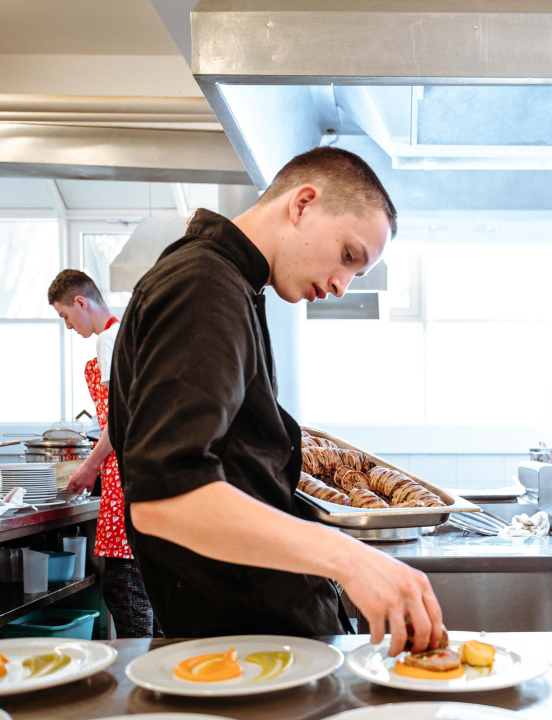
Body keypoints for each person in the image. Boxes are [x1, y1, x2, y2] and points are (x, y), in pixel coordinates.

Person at [109, 147, 443, 651]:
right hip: (245, 648)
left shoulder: (232, 285)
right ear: (303, 204)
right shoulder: (203, 285)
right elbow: (165, 499)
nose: (340, 285)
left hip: (260, 641)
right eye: (348, 256)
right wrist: (350, 558)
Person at [48, 270, 155, 637]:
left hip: (123, 475)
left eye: (65, 316)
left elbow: (120, 418)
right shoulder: (131, 332)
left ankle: (135, 680)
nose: (68, 326)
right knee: (144, 590)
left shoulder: (109, 339)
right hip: (140, 474)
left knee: (124, 591)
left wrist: (89, 467)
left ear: (81, 302)